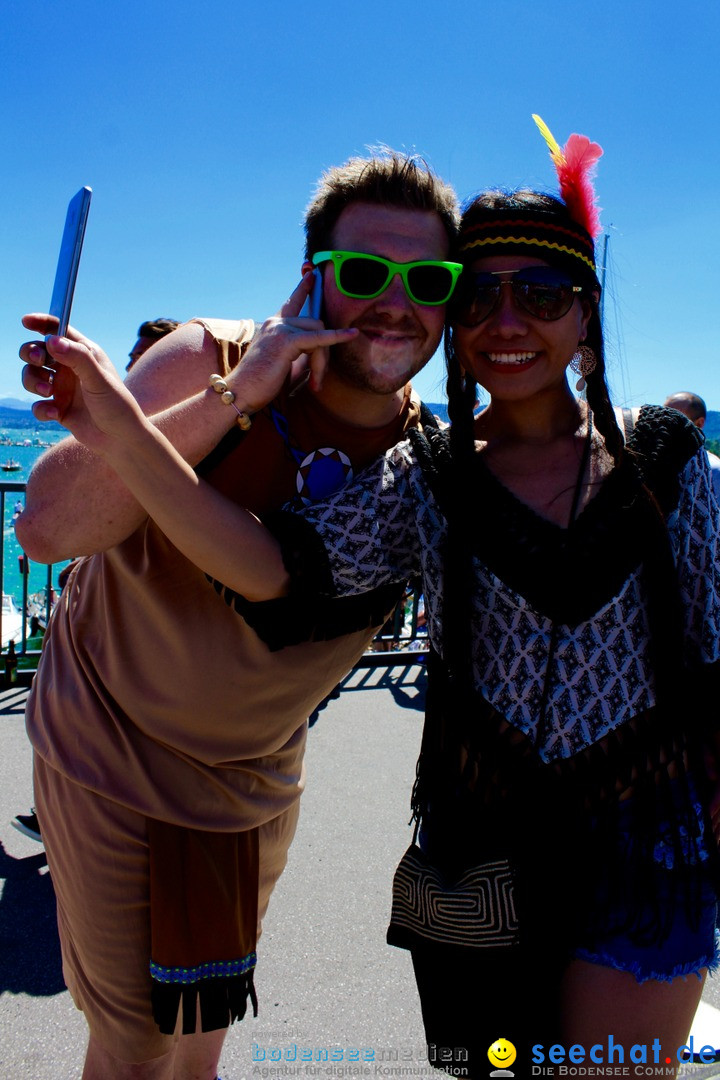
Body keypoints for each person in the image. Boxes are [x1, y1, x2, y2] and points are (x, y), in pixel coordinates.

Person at [29, 121, 720, 1078]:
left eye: (544, 292)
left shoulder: (642, 467)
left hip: (600, 832)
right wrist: (159, 410)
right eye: (479, 292)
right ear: (312, 275)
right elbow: (234, 562)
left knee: (599, 1069)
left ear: (586, 315)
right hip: (158, 760)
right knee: (156, 1040)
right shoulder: (385, 455)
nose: (503, 318)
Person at [17, 150, 460, 1080]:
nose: (395, 301)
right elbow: (51, 525)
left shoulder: (426, 465)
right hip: (109, 742)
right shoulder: (208, 354)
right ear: (311, 283)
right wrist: (237, 398)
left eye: (427, 279)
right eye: (364, 273)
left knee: (205, 1029)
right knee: (136, 1041)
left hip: (251, 779)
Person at [664, 391, 720, 502]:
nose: (663, 424)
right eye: (661, 416)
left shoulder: (713, 470)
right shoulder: (652, 463)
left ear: (699, 424)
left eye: (674, 419)